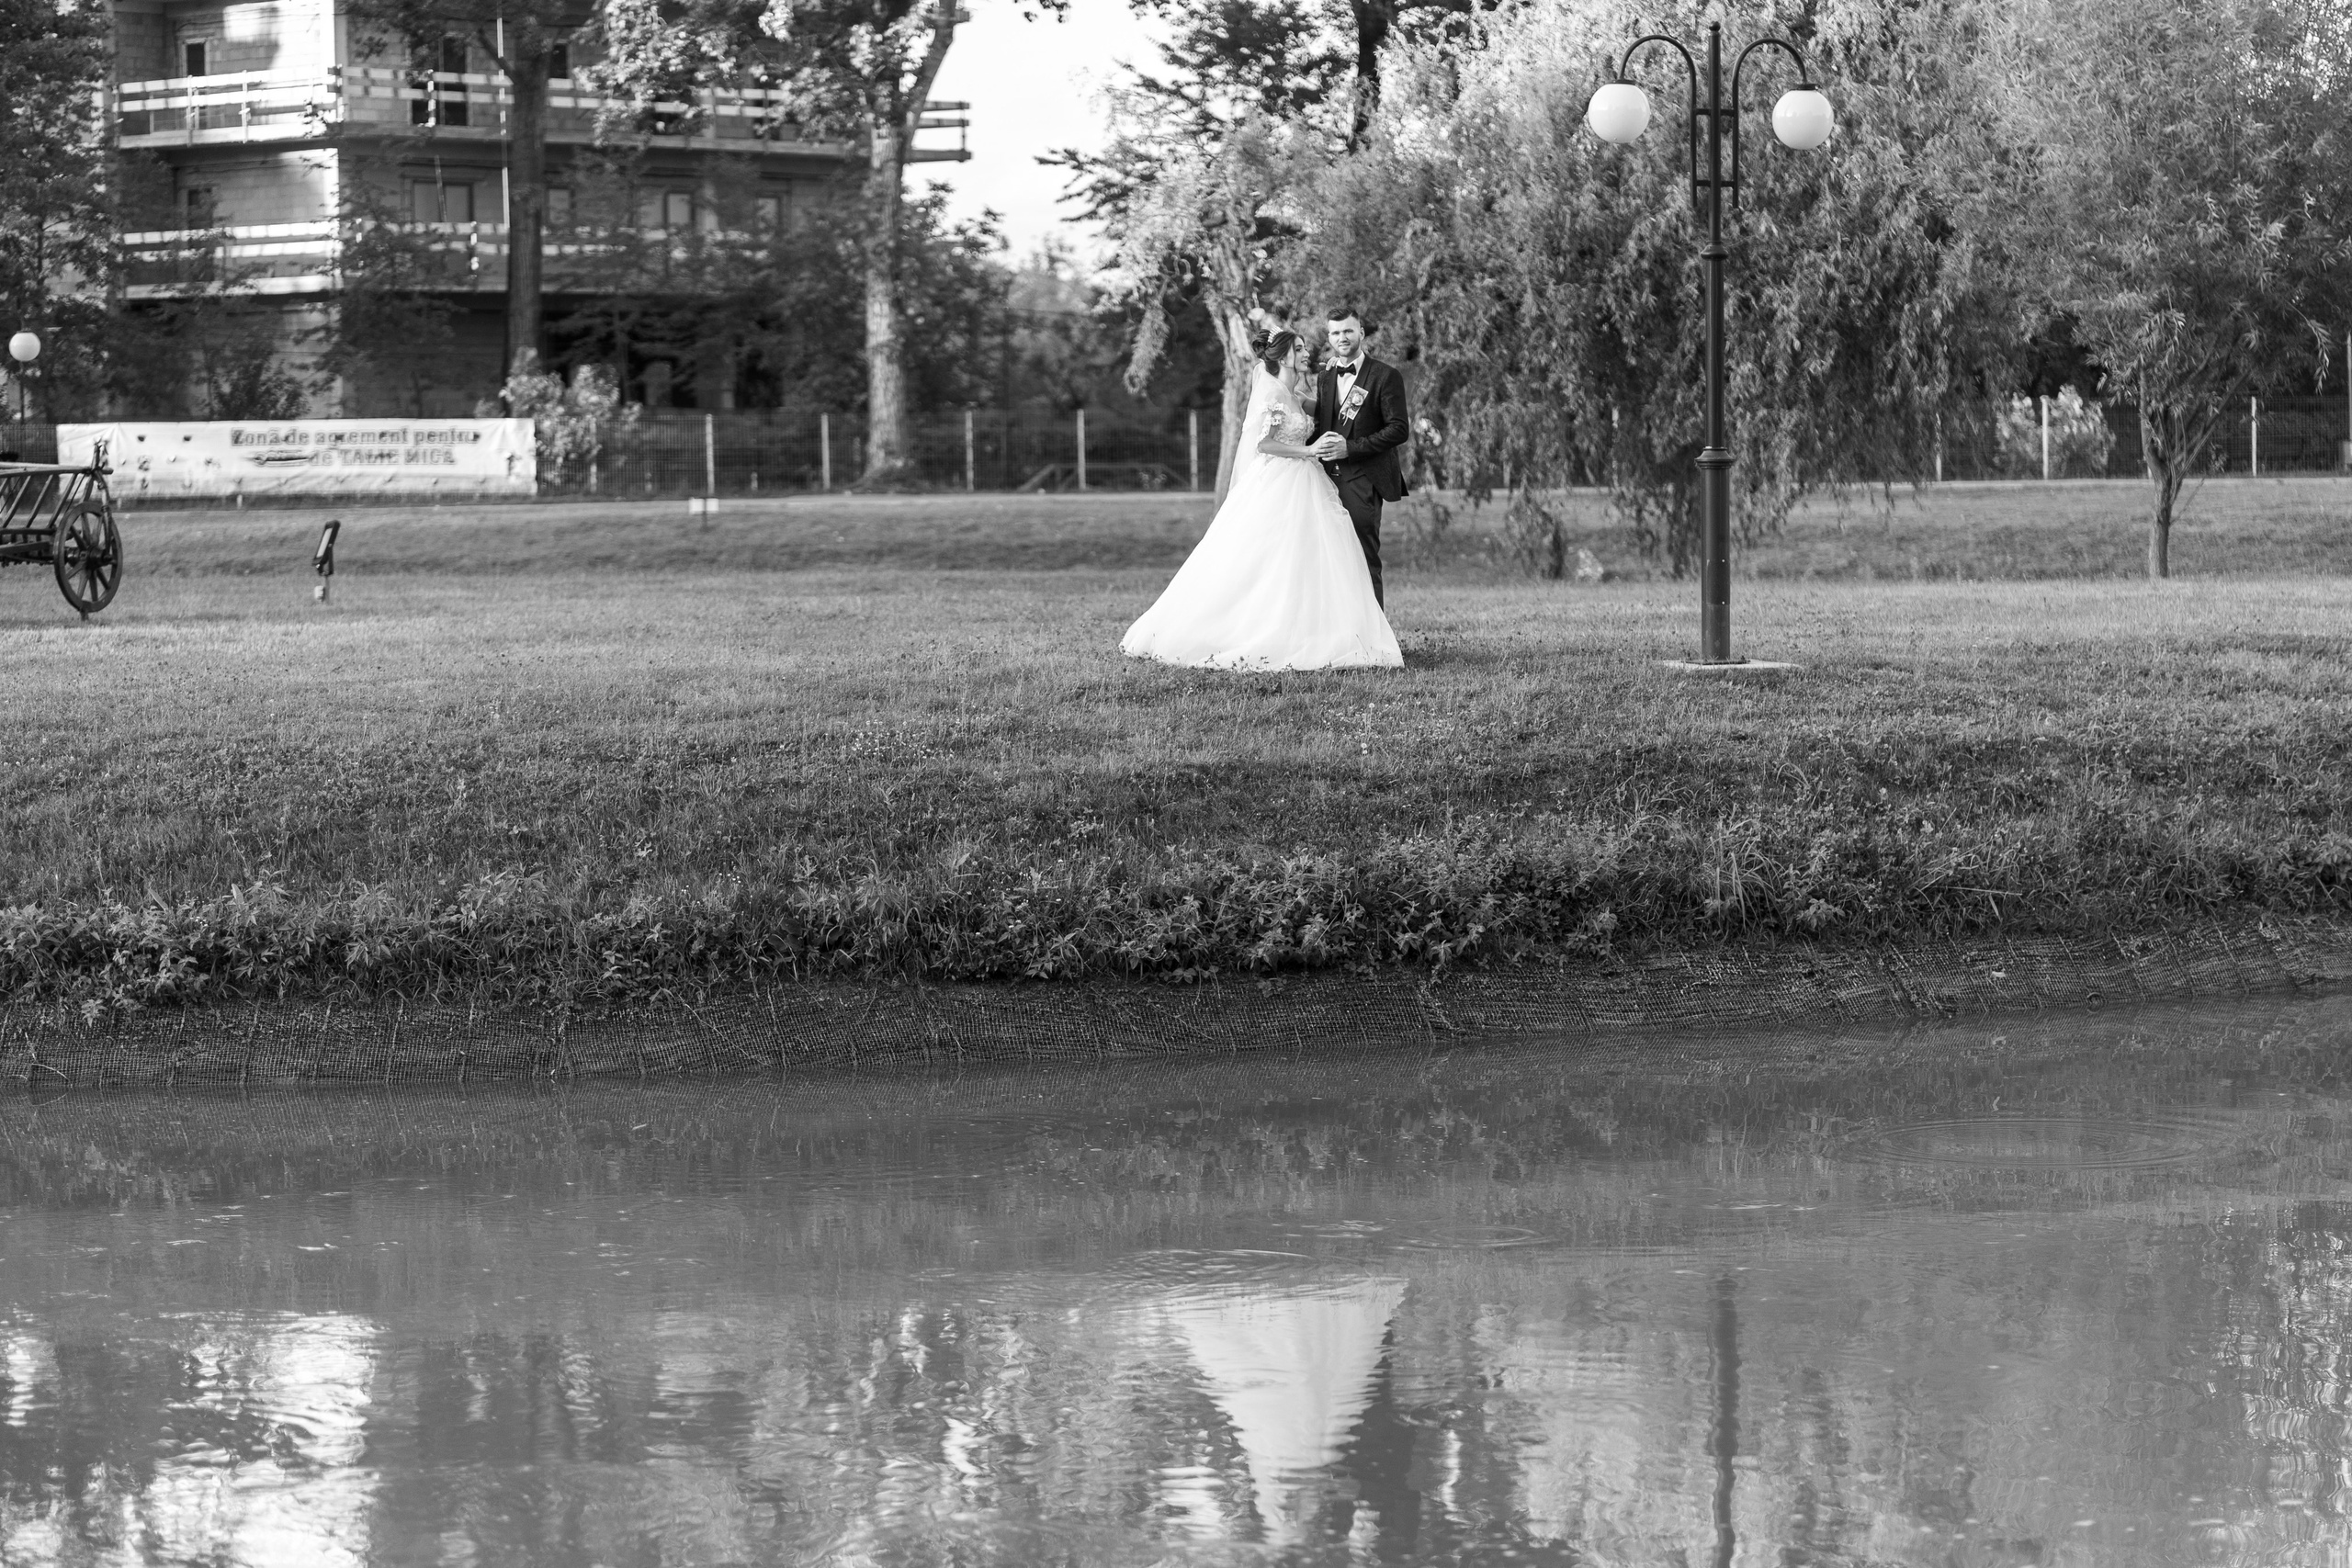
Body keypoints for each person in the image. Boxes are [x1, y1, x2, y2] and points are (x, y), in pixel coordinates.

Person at [1120, 328, 1402, 671]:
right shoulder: (1272, 394)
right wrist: (1309, 450)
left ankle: (1312, 633)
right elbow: (1263, 444)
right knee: (1269, 559)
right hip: (1280, 483)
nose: (1306, 353)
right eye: (1299, 349)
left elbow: (1336, 412)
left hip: (1307, 482)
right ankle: (1254, 630)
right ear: (1283, 357)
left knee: (1308, 560)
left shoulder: (1295, 394)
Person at [1308, 306, 1410, 606]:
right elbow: (1322, 425)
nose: (1342, 337)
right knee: (1327, 560)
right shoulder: (1325, 376)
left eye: (1348, 331)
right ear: (1329, 336)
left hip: (1364, 479)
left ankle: (1375, 643)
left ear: (1361, 333)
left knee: (1363, 558)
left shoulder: (1385, 376)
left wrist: (1350, 448)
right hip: (1324, 481)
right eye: (1336, 332)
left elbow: (1399, 429)